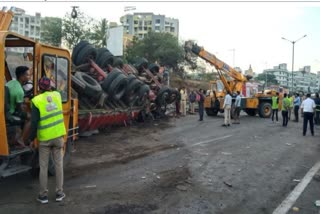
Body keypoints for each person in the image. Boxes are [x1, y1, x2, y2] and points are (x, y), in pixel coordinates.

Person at [28, 77, 67, 204]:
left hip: (45, 139)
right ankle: (59, 193)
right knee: (58, 165)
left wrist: (30, 138)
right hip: (58, 137)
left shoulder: (36, 100)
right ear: (50, 86)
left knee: (43, 167)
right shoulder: (57, 95)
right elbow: (55, 89)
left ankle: (43, 195)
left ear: (39, 88)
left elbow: (34, 122)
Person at [6, 66, 31, 147]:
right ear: (22, 76)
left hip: (5, 109)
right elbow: (19, 110)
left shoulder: (10, 82)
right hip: (11, 113)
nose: (29, 76)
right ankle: (22, 139)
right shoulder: (19, 92)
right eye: (27, 75)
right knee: (30, 118)